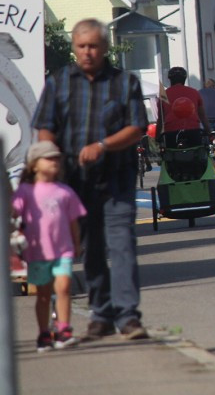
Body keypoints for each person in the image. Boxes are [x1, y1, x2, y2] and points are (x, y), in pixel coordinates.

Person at [32, 18, 149, 340]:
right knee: (92, 248)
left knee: (122, 244)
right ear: (74, 48)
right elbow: (45, 125)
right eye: (81, 46)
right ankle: (101, 313)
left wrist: (103, 146)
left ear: (105, 48)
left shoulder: (125, 83)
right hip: (75, 183)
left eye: (93, 46)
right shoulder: (59, 82)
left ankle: (128, 317)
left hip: (116, 179)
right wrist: (48, 157)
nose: (87, 52)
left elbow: (137, 127)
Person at [13, 141, 86, 351]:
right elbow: (13, 213)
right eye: (49, 158)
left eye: (56, 158)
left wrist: (77, 243)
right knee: (43, 294)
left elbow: (73, 221)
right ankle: (44, 333)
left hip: (63, 250)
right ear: (34, 165)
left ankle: (64, 330)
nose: (54, 162)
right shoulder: (26, 191)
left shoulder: (64, 191)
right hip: (37, 252)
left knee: (63, 288)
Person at [162, 66, 212, 148]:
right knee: (198, 155)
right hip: (193, 130)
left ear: (170, 79)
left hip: (171, 132)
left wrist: (157, 137)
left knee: (170, 157)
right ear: (184, 79)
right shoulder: (194, 92)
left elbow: (161, 118)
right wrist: (209, 132)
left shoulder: (164, 94)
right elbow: (202, 116)